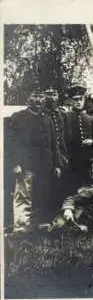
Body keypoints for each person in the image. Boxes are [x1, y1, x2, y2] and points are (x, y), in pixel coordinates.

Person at [5, 87, 63, 230]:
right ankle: (21, 227)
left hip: (45, 166)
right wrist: (16, 163)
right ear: (28, 99)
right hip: (26, 165)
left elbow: (53, 144)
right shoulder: (18, 117)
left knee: (41, 195)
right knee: (24, 196)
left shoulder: (46, 119)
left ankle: (37, 226)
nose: (39, 100)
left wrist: (57, 164)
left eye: (41, 97)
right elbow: (10, 143)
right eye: (35, 96)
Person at [64, 84, 93, 194]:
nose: (78, 102)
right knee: (71, 187)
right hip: (71, 159)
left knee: (86, 186)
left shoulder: (91, 119)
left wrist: (92, 142)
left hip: (87, 159)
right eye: (75, 100)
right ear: (71, 101)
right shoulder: (65, 117)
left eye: (81, 99)